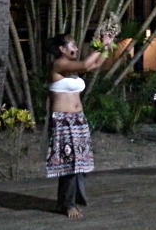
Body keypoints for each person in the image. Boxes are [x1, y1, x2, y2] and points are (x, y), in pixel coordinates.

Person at [45, 33, 111, 218]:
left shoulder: (71, 70)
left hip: (78, 120)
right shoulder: (59, 64)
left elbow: (95, 65)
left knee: (79, 163)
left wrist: (106, 47)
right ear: (62, 49)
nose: (76, 47)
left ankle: (67, 201)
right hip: (63, 121)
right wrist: (100, 46)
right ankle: (68, 205)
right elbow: (85, 65)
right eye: (72, 45)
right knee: (69, 164)